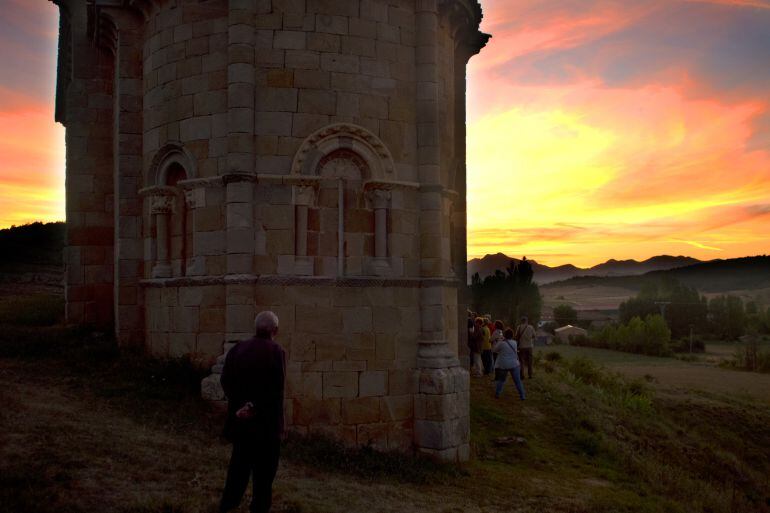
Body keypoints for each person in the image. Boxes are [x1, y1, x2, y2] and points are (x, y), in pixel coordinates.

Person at [220, 311, 286, 513]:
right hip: (266, 427)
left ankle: (227, 506)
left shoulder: (238, 349)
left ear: (256, 328)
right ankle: (258, 509)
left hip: (242, 424)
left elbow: (225, 380)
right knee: (264, 476)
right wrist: (254, 407)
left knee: (238, 469)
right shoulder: (276, 351)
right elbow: (276, 389)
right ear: (275, 330)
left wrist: (241, 406)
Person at [492, 328, 526, 400]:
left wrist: (499, 341)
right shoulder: (515, 343)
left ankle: (497, 394)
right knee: (517, 381)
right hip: (514, 364)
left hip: (504, 364)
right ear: (512, 335)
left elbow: (494, 350)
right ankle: (522, 396)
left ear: (505, 335)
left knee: (501, 380)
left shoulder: (502, 343)